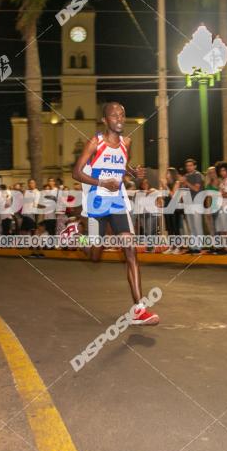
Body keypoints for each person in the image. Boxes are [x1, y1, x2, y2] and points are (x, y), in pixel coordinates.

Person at [71, 102, 159, 324]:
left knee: (131, 252)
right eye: (114, 115)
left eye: (122, 114)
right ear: (105, 120)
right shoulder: (95, 142)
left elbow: (123, 167)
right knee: (95, 255)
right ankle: (76, 236)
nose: (120, 118)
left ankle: (139, 309)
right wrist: (102, 181)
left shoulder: (126, 143)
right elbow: (76, 173)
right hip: (97, 202)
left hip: (117, 201)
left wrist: (133, 172)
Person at [180, 158, 204, 254]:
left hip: (197, 203)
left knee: (197, 225)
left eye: (191, 165)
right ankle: (193, 246)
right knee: (191, 226)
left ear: (195, 166)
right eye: (187, 166)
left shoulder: (197, 175)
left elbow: (196, 188)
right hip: (188, 203)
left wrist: (186, 183)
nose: (188, 167)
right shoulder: (186, 176)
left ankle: (199, 246)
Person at [162, 168, 183, 255]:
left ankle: (178, 247)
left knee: (175, 228)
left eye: (168, 173)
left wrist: (165, 186)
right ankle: (171, 246)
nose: (166, 175)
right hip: (167, 207)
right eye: (166, 173)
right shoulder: (166, 184)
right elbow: (164, 196)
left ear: (172, 174)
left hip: (175, 208)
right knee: (169, 228)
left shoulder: (177, 183)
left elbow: (173, 195)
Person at [215, 162, 227, 255]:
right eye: (221, 170)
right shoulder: (222, 181)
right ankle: (224, 247)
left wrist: (218, 194)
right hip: (221, 206)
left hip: (226, 207)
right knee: (222, 228)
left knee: (226, 227)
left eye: (224, 170)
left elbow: (226, 195)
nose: (222, 172)